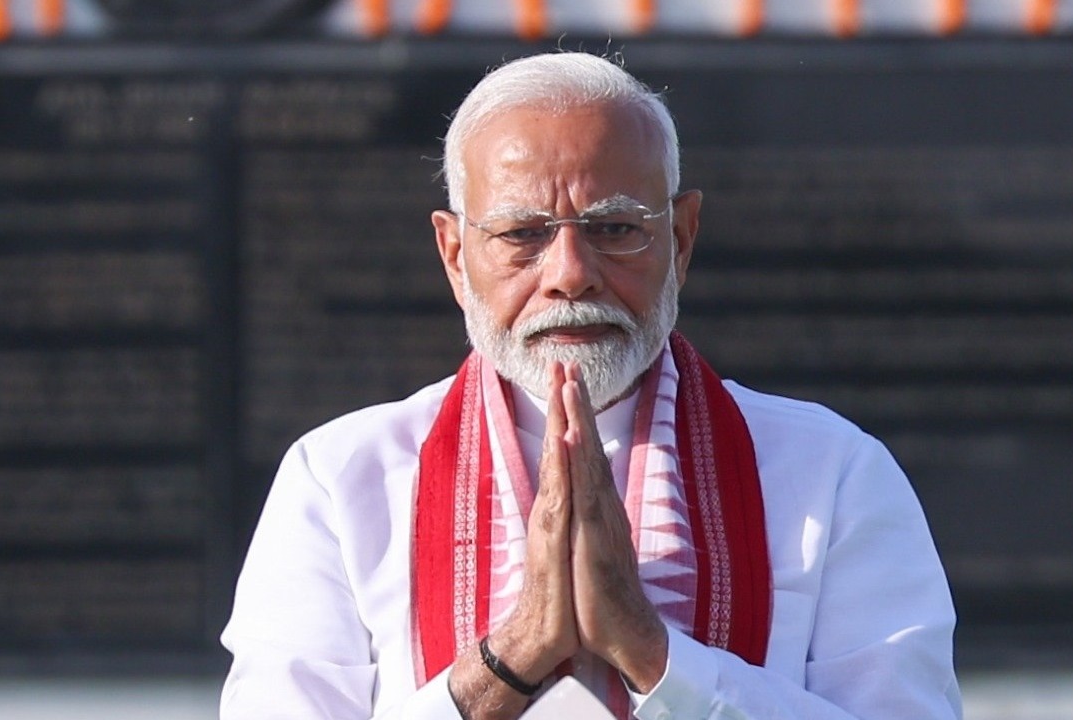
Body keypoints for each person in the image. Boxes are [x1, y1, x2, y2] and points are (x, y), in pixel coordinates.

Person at [219, 52, 962, 719]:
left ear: (682, 238)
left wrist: (651, 650)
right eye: (522, 234)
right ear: (454, 255)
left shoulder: (831, 472)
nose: (570, 274)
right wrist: (510, 657)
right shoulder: (342, 477)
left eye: (613, 228)